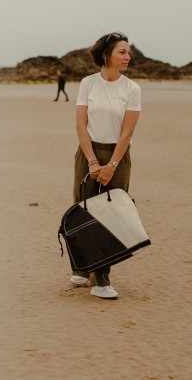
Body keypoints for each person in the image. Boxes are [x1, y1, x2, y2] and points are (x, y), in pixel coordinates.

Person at [70, 32, 141, 299]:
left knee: (111, 214)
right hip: (87, 151)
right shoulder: (88, 84)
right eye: (122, 52)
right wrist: (92, 161)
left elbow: (127, 132)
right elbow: (81, 125)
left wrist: (111, 164)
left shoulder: (132, 89)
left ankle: (101, 281)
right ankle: (81, 267)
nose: (127, 57)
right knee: (83, 211)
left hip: (117, 155)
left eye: (128, 52)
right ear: (106, 55)